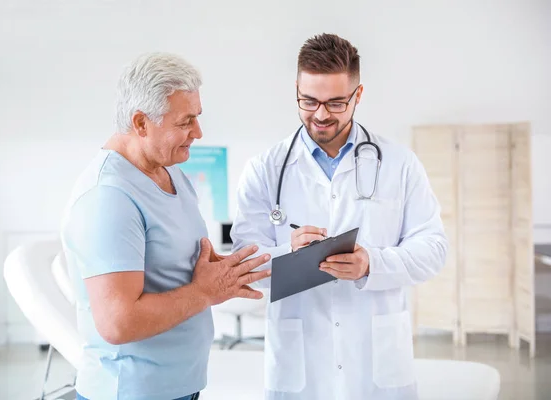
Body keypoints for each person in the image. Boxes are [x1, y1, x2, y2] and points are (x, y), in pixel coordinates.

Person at [230, 33, 448, 399]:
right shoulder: (265, 169)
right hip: (298, 367)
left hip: (376, 363)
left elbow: (434, 249)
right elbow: (244, 264)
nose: (320, 114)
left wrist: (371, 264)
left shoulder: (398, 163)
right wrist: (287, 251)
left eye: (335, 102)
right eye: (309, 100)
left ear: (357, 95)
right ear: (296, 89)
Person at [61, 52, 271, 400]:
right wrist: (206, 291)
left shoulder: (169, 170)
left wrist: (222, 272)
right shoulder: (108, 197)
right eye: (185, 121)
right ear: (141, 123)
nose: (198, 132)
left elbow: (174, 261)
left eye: (197, 118)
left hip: (179, 387)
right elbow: (118, 322)